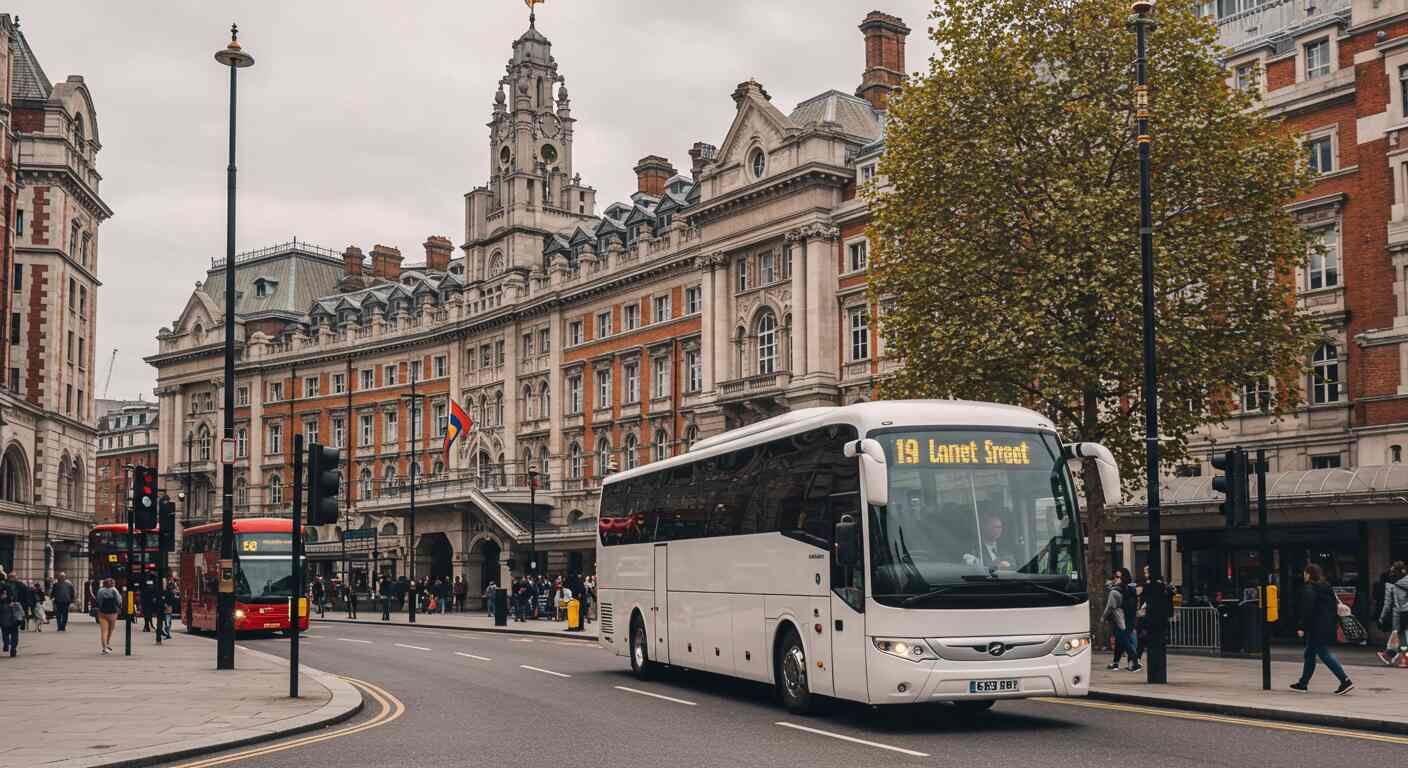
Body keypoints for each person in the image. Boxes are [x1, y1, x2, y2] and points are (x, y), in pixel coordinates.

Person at [1291, 563, 1354, 695]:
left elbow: (1307, 610)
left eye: (1305, 573)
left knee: (1324, 653)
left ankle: (1345, 680)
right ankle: (1303, 683)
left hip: (1316, 627)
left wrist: (1302, 626)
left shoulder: (1309, 588)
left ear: (1308, 574)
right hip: (1327, 624)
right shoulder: (1326, 586)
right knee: (1309, 654)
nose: (1304, 575)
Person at [1378, 560, 1408, 665]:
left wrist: (1382, 617)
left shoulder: (1390, 584)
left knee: (1401, 637)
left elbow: (1387, 603)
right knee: (1402, 637)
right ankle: (1392, 655)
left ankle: (1399, 657)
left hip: (1400, 614)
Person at [95, 578, 121, 655]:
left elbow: (98, 600)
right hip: (112, 613)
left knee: (103, 631)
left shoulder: (100, 590)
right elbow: (119, 600)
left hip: (102, 613)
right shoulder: (114, 590)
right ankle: (108, 643)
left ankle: (104, 648)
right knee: (110, 630)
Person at [0, 581, 20, 656]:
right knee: (14, 635)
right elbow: (20, 613)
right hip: (13, 621)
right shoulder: (14, 603)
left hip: (4, 622)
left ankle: (7, 645)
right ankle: (13, 648)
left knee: (5, 634)